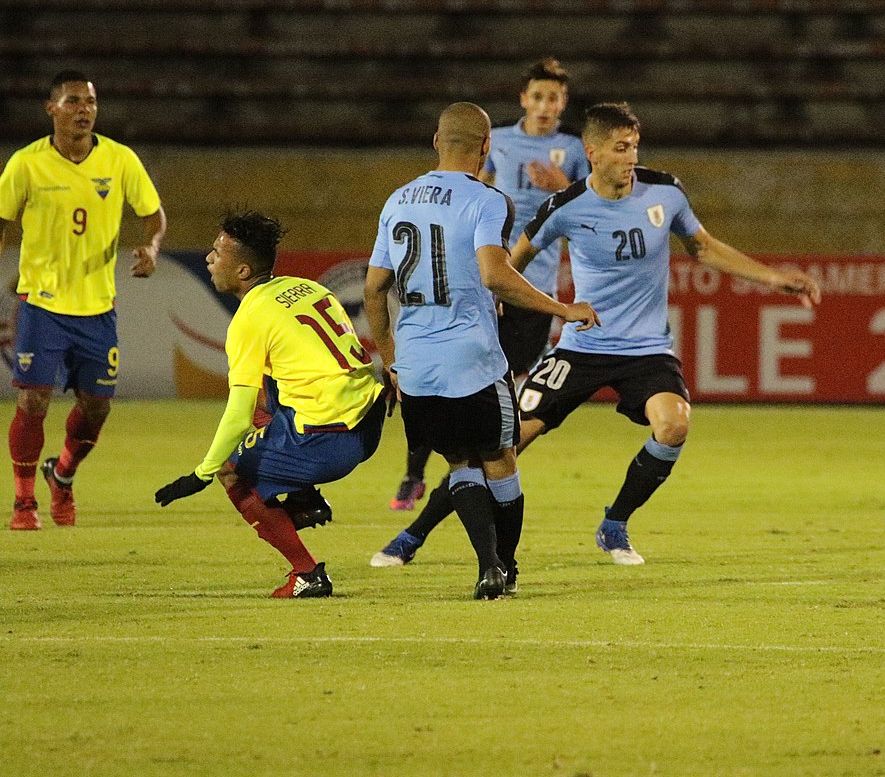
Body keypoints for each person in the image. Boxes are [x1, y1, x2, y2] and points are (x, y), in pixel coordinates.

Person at [376, 102, 821, 567]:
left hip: (647, 349)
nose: (631, 158)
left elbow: (702, 247)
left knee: (673, 425)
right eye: (621, 148)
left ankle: (615, 524)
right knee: (503, 446)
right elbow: (514, 256)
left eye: (634, 147)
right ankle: (414, 534)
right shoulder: (565, 207)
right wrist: (500, 296)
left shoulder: (664, 193)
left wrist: (773, 278)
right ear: (592, 152)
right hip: (580, 347)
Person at [363, 102, 598, 599]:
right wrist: (562, 308)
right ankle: (504, 568)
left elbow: (373, 290)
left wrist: (391, 360)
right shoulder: (488, 200)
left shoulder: (397, 199)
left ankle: (487, 565)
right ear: (487, 147)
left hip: (417, 361)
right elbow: (495, 274)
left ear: (435, 141)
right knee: (501, 461)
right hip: (471, 358)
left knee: (459, 464)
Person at [389, 57, 589, 512]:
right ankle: (414, 474)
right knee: (443, 379)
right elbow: (466, 191)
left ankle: (471, 469)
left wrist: (563, 187)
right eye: (537, 96)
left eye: (553, 98)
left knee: (502, 383)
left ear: (563, 103)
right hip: (482, 283)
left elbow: (591, 212)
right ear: (523, 99)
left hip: (531, 289)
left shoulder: (574, 151)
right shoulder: (495, 141)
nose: (544, 105)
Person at [154, 211, 386, 598]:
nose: (210, 259)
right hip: (369, 421)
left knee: (230, 469)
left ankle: (307, 574)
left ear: (243, 270)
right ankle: (304, 501)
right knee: (271, 394)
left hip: (327, 440)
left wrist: (202, 472)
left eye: (217, 253)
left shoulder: (249, 318)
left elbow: (236, 412)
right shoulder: (307, 288)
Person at [0, 70, 166, 531]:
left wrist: (152, 248)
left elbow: (153, 217)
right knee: (34, 401)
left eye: (90, 102)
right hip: (42, 302)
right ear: (51, 109)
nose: (84, 110)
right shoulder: (26, 164)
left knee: (97, 407)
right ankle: (24, 502)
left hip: (97, 306)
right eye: (73, 101)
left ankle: (64, 474)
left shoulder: (119, 160)